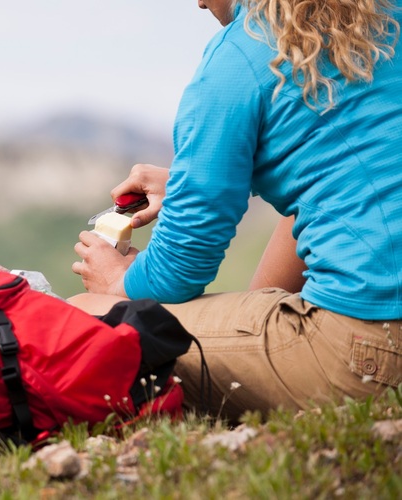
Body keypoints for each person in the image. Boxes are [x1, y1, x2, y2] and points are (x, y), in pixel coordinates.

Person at [69, 0, 402, 422]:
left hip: (369, 351)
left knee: (87, 314)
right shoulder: (385, 15)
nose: (199, 2)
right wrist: (189, 184)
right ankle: (253, 345)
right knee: (295, 219)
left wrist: (118, 282)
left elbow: (181, 267)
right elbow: (351, 171)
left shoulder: (242, 54)